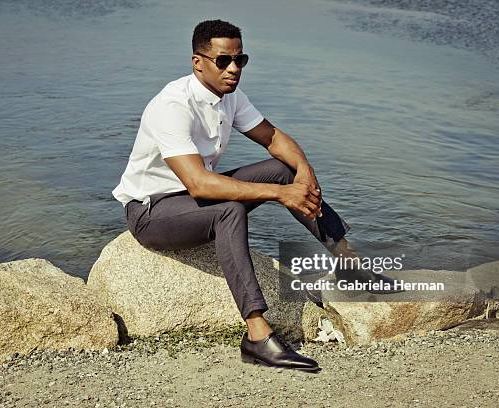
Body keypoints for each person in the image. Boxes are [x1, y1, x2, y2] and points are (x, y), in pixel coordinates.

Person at [113, 19, 398, 372]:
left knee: (284, 168)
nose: (234, 69)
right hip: (153, 212)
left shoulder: (229, 96)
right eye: (223, 61)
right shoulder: (172, 105)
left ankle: (351, 264)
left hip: (194, 199)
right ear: (197, 62)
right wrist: (281, 194)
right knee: (229, 211)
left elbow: (275, 140)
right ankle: (258, 337)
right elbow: (200, 184)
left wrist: (303, 173)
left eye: (240, 60)